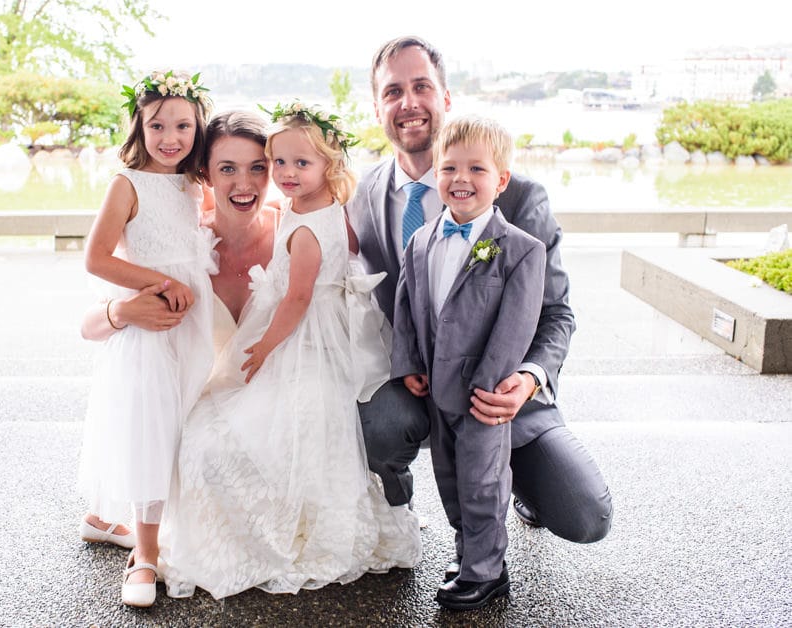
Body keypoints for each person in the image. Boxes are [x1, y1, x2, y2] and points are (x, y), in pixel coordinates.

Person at [346, 36, 613, 553]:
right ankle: (396, 502)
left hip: (494, 392)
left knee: (586, 516)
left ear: (446, 98)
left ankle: (516, 484)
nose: (409, 103)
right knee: (378, 426)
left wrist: (529, 380)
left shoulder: (518, 196)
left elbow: (556, 313)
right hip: (416, 384)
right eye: (393, 91)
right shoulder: (363, 193)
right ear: (377, 106)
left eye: (422, 86)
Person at [163, 102, 420, 600]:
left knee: (270, 428)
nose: (279, 175)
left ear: (328, 164)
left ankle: (285, 534)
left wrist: (262, 348)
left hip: (300, 341)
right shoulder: (313, 210)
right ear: (205, 175)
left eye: (269, 166)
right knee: (211, 431)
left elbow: (300, 296)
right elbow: (339, 252)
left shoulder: (300, 222)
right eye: (277, 163)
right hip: (304, 335)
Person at [393, 115, 545, 610]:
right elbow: (408, 307)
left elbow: (516, 328)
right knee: (450, 480)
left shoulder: (520, 250)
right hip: (438, 387)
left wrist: (489, 385)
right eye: (449, 167)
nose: (461, 179)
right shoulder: (422, 241)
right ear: (435, 173)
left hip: (484, 394)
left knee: (484, 483)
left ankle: (487, 570)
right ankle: (468, 553)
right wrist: (411, 362)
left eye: (476, 169)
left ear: (500, 181)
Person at [76, 69, 215, 608]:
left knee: (186, 426)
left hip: (193, 327)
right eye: (158, 125)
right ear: (140, 125)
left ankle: (108, 520)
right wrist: (160, 283)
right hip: (151, 328)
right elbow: (97, 257)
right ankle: (146, 557)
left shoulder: (193, 184)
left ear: (198, 128)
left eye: (183, 126)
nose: (170, 137)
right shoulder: (126, 184)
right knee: (152, 431)